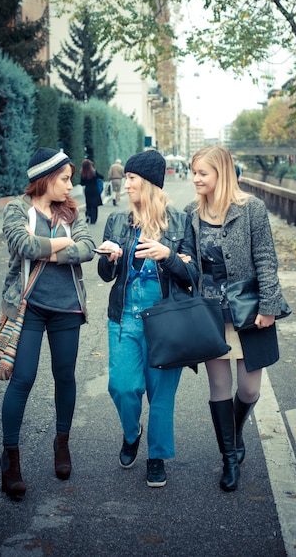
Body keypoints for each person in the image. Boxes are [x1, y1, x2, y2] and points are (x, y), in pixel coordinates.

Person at [96, 150, 198, 488]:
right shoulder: (116, 221)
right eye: (125, 178)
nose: (125, 185)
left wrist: (169, 256)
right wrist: (109, 259)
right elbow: (105, 274)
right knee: (123, 386)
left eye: (131, 179)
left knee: (161, 395)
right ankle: (131, 431)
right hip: (124, 317)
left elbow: (192, 274)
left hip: (167, 322)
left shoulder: (180, 222)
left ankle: (156, 457)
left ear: (149, 183)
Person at [184, 145, 283, 492]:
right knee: (219, 389)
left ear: (221, 173)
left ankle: (235, 430)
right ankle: (229, 457)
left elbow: (266, 260)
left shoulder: (252, 209)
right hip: (209, 313)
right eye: (193, 172)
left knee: (250, 388)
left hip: (249, 311)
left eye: (202, 173)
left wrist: (269, 305)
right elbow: (188, 263)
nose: (195, 178)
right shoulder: (191, 213)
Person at [0, 147, 95, 500]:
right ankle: (10, 461)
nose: (71, 186)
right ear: (45, 178)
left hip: (67, 307)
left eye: (71, 179)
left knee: (65, 375)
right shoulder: (17, 209)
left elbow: (87, 247)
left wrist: (51, 249)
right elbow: (23, 245)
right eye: (65, 179)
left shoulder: (70, 211)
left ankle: (62, 444)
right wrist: (62, 243)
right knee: (22, 377)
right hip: (29, 306)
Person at [80, 158, 104, 224]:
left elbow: (82, 183)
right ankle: (93, 220)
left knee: (89, 204)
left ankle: (88, 215)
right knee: (94, 205)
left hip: (88, 191)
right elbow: (102, 177)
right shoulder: (94, 172)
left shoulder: (82, 173)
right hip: (95, 190)